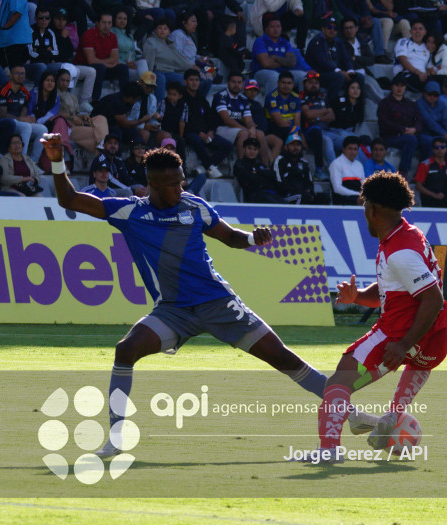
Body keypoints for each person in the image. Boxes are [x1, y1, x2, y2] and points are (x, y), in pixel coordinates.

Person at [41, 135, 329, 457]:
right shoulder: (129, 213)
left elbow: (231, 237)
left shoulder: (194, 207)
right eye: (174, 184)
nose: (181, 188)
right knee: (126, 350)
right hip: (173, 311)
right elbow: (69, 199)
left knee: (282, 358)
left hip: (217, 302)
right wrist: (56, 160)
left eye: (182, 181)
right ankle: (117, 438)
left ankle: (349, 411)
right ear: (152, 184)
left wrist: (252, 239)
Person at [314, 171, 447, 462]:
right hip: (434, 339)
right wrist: (358, 297)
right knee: (343, 387)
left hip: (397, 336)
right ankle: (387, 417)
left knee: (336, 386)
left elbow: (432, 298)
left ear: (372, 209)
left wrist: (403, 343)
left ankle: (328, 452)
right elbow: (397, 286)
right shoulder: (407, 235)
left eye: (364, 206)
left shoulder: (399, 251)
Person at [183, 68, 232, 178]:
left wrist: (210, 131)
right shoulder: (181, 98)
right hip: (189, 132)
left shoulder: (201, 99)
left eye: (196, 80)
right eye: (191, 80)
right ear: (185, 81)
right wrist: (199, 132)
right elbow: (183, 121)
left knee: (227, 146)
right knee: (195, 139)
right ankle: (209, 167)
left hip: (205, 132)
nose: (194, 82)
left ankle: (204, 167)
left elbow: (211, 118)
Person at [213, 72, 270, 165]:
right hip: (221, 128)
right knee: (244, 133)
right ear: (228, 83)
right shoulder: (221, 96)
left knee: (260, 133)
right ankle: (241, 167)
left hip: (236, 128)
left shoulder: (243, 98)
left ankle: (266, 167)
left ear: (243, 84)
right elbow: (226, 119)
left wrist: (252, 128)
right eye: (233, 82)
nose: (236, 85)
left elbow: (248, 119)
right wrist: (246, 129)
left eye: (239, 82)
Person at [0, 64, 46, 163]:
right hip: (4, 123)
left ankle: (33, 162)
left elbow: (23, 113)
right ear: (11, 75)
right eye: (17, 73)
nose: (20, 76)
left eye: (23, 74)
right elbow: (2, 115)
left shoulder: (25, 92)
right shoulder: (3, 90)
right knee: (26, 127)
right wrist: (21, 119)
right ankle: (22, 161)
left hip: (18, 122)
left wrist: (27, 119)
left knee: (43, 129)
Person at [74, 12, 130, 103]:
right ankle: (95, 100)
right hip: (84, 66)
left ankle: (125, 99)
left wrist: (105, 62)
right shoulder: (88, 34)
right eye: (104, 22)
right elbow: (91, 61)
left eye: (109, 23)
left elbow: (115, 59)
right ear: (97, 23)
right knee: (100, 67)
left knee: (123, 68)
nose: (107, 26)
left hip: (101, 68)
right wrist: (110, 64)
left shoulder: (112, 36)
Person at [377, 74, 425, 177]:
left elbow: (418, 119)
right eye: (397, 85)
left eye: (402, 85)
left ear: (405, 88)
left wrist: (415, 129)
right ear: (392, 86)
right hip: (390, 137)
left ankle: (423, 174)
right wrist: (402, 129)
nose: (399, 88)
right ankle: (404, 171)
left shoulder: (410, 104)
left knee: (429, 141)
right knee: (411, 140)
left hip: (409, 134)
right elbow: (384, 122)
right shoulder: (384, 103)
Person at [251, 15, 310, 97]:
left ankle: (305, 104)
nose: (276, 29)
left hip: (283, 72)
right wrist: (285, 61)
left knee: (304, 76)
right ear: (266, 29)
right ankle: (272, 107)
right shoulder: (260, 41)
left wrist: (276, 58)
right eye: (272, 27)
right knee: (274, 77)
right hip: (262, 73)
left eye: (278, 26)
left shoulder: (285, 42)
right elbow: (266, 64)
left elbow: (292, 62)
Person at [305, 16, 360, 100]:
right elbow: (322, 62)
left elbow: (346, 58)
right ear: (323, 29)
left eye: (335, 28)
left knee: (359, 77)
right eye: (329, 27)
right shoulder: (317, 41)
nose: (332, 30)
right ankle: (331, 104)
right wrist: (339, 71)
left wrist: (350, 71)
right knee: (339, 77)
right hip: (318, 74)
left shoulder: (338, 42)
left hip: (334, 72)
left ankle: (356, 107)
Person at [55, 68, 109, 156]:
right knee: (94, 135)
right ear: (57, 80)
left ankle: (102, 145)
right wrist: (72, 117)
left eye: (67, 81)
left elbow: (76, 114)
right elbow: (53, 115)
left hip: (78, 124)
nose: (65, 83)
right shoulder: (54, 95)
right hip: (66, 127)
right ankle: (104, 151)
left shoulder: (72, 97)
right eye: (62, 80)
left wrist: (82, 117)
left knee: (101, 118)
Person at [273, 131, 330, 204]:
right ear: (286, 147)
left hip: (303, 194)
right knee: (302, 196)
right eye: (292, 144)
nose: (295, 147)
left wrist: (310, 192)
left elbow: (309, 183)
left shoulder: (304, 163)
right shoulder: (279, 161)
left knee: (324, 198)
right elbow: (279, 183)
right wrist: (299, 192)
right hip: (285, 196)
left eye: (298, 145)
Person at [265, 71, 302, 162]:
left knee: (299, 136)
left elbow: (297, 121)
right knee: (292, 137)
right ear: (278, 83)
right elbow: (279, 122)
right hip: (273, 128)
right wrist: (292, 129)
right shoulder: (272, 97)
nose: (286, 86)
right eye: (283, 83)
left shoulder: (296, 97)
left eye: (289, 83)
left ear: (293, 85)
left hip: (289, 129)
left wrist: (295, 131)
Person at [233, 137, 282, 203]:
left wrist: (258, 171)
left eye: (255, 149)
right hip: (253, 195)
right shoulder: (240, 164)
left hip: (268, 193)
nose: (252, 151)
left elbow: (273, 176)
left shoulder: (259, 164)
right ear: (244, 149)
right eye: (249, 148)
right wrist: (263, 174)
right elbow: (249, 178)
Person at [416, 81, 447, 157]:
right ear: (425, 93)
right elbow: (428, 122)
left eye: (435, 95)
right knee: (430, 142)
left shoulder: (441, 104)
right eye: (430, 94)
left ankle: (446, 165)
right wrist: (445, 134)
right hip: (425, 133)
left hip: (440, 134)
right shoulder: (419, 103)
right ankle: (427, 166)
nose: (432, 97)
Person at [414, 137, 447, 207]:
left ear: (446, 149)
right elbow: (418, 186)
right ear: (432, 149)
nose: (439, 149)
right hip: (429, 201)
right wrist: (434, 195)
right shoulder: (425, 165)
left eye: (442, 147)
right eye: (436, 147)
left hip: (446, 202)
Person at [393, 21, 429, 92]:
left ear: (425, 32)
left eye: (420, 29)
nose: (417, 31)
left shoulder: (427, 47)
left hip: (422, 76)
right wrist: (419, 73)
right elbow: (402, 60)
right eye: (415, 29)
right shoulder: (403, 41)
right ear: (410, 31)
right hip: (405, 75)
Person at [0, 0, 31, 70]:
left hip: (16, 38)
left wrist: (5, 27)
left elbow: (18, 13)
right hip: (13, 37)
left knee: (15, 69)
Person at [329, 135, 365, 205]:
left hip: (358, 197)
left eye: (355, 149)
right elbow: (337, 189)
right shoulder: (336, 164)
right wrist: (358, 194)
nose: (353, 152)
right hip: (342, 199)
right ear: (344, 149)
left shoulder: (359, 165)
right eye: (350, 149)